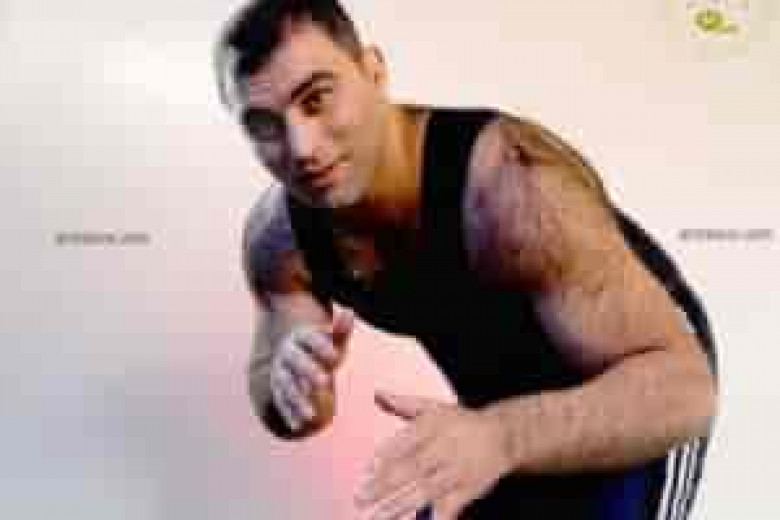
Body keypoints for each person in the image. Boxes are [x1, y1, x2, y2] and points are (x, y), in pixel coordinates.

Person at [214, 1, 719, 518]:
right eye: (264, 124)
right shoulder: (280, 241)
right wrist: (289, 383)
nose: (301, 148)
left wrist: (501, 436)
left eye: (317, 99)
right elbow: (290, 408)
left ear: (373, 72)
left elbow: (686, 390)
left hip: (636, 378)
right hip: (497, 408)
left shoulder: (512, 183)